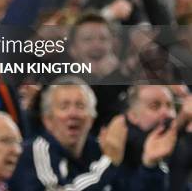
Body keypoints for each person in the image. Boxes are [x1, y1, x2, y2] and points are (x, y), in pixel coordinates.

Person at [9, 77, 172, 191]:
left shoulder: (100, 150)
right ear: (47, 119)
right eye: (64, 107)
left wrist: (150, 164)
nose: (73, 114)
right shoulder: (33, 153)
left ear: (92, 118)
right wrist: (108, 162)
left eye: (80, 106)